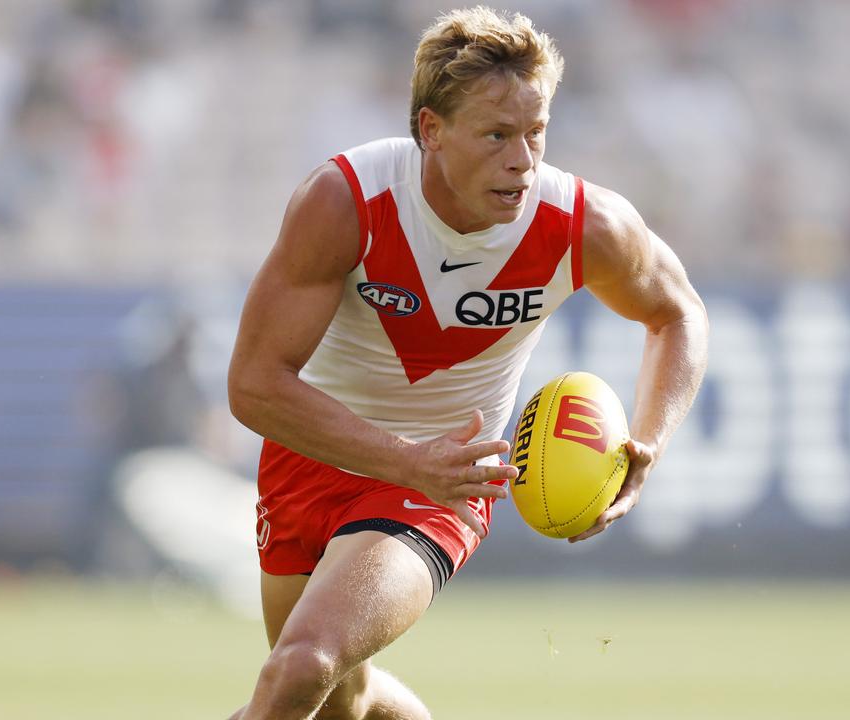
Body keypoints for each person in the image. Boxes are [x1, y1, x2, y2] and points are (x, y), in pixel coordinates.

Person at [226, 6, 709, 718]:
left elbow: (678, 313)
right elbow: (253, 387)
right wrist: (401, 457)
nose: (523, 159)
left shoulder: (582, 225)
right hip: (311, 460)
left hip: (443, 482)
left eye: (536, 132)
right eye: (496, 135)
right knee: (338, 699)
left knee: (302, 666)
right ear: (431, 131)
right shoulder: (347, 201)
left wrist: (652, 438)